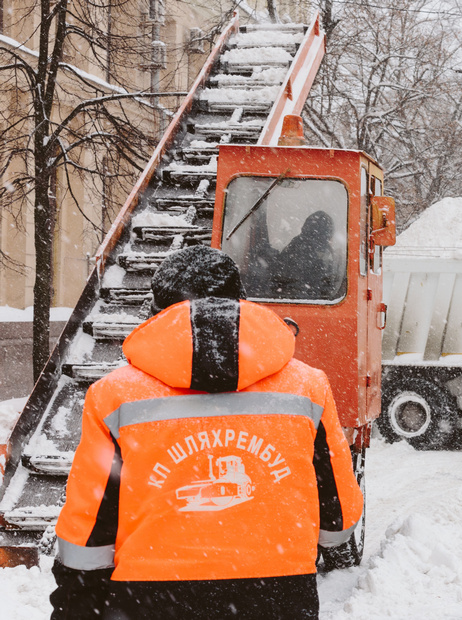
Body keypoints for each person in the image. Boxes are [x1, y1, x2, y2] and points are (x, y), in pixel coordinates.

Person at [50, 245, 363, 619]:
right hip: (278, 593)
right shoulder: (307, 386)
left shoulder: (114, 395)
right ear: (241, 303)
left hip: (151, 598)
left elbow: (91, 522)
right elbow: (338, 514)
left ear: (154, 311)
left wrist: (76, 600)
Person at [271, 210, 338, 299]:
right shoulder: (311, 251)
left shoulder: (297, 244)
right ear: (326, 233)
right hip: (305, 301)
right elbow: (321, 285)